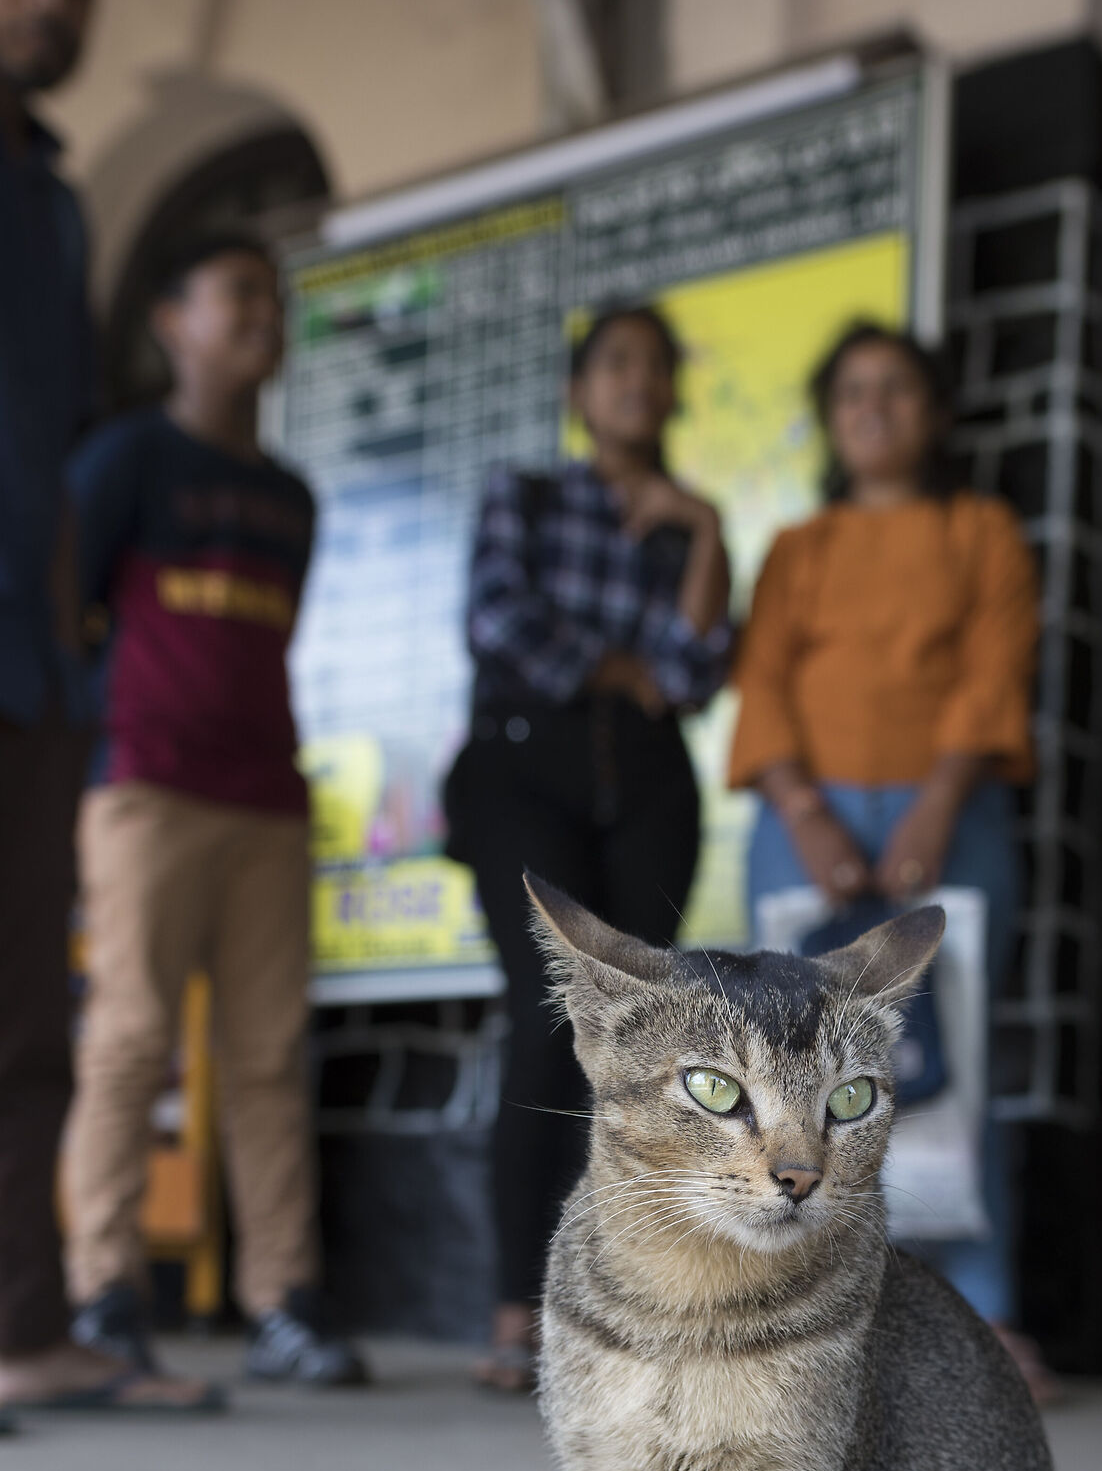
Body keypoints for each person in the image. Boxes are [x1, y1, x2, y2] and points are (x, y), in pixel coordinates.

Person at [0, 0, 213, 1428]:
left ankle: (17, 1331)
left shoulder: (55, 204)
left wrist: (70, 637)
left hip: (25, 663)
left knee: (18, 1026)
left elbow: (59, 446)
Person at [61, 229, 368, 1388]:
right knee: (131, 1036)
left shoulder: (291, 496)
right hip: (144, 786)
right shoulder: (125, 459)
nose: (262, 317)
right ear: (171, 324)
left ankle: (283, 1301)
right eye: (236, 294)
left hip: (267, 800)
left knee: (268, 1053)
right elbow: (69, 612)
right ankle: (102, 1293)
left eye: (273, 300)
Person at [727, 320, 1056, 1401]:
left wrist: (935, 805)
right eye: (853, 391)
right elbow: (764, 683)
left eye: (898, 389)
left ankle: (987, 1313)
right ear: (831, 419)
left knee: (948, 1061)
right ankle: (792, 1316)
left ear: (935, 413)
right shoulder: (797, 550)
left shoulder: (980, 531)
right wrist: (807, 813)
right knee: (781, 1078)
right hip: (802, 819)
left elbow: (993, 669)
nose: (874, 407)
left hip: (946, 813)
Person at [448, 305, 733, 1392]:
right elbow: (500, 622)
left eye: (657, 367)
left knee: (642, 1043)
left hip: (651, 784)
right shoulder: (524, 494)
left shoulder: (683, 522)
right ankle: (520, 1312)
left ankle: (624, 1306)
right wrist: (621, 668)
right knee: (547, 1018)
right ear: (578, 392)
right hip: (526, 767)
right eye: (616, 364)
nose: (637, 382)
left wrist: (704, 527)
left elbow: (697, 671)